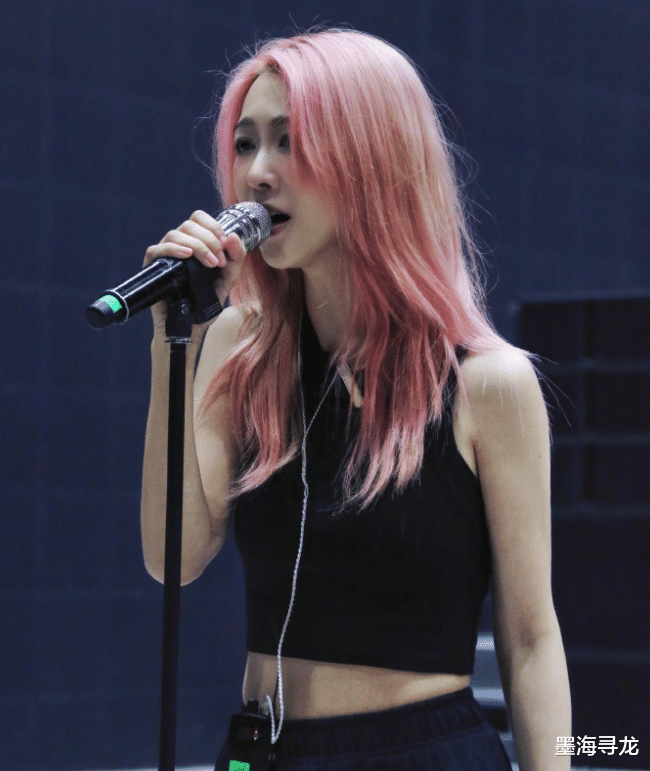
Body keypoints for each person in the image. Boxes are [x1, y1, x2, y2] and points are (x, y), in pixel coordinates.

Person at [140, 27, 571, 771]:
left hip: (417, 751)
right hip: (261, 750)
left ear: (371, 158)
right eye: (245, 145)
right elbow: (170, 558)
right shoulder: (239, 345)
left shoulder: (488, 383)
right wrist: (170, 344)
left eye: (290, 142)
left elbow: (532, 641)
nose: (258, 174)